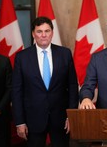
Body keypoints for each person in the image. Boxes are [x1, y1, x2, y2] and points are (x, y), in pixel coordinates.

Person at [12, 16, 79, 147]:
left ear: (52, 33)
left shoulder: (65, 54)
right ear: (33, 34)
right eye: (39, 31)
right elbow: (16, 91)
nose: (43, 35)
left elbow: (72, 86)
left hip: (61, 119)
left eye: (47, 31)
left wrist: (71, 116)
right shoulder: (22, 57)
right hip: (33, 119)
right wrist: (20, 122)